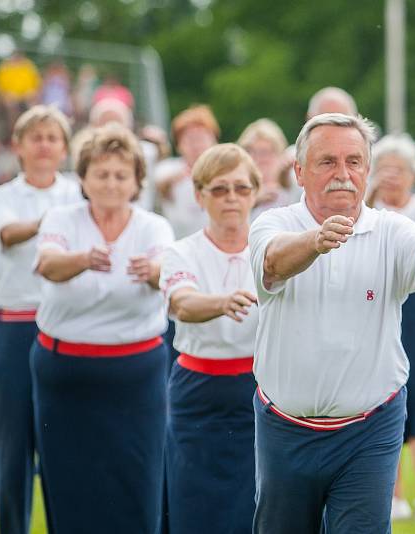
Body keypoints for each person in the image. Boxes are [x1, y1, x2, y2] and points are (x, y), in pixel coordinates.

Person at [249, 113, 415, 533]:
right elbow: (272, 263)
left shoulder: (390, 229)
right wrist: (316, 241)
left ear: (367, 170)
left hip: (370, 428)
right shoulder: (274, 223)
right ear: (299, 171)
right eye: (327, 162)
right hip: (285, 429)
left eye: (354, 162)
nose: (343, 174)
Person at [31, 124, 174, 533]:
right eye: (101, 173)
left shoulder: (152, 226)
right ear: (83, 178)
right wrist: (83, 259)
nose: (111, 183)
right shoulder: (62, 219)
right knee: (69, 480)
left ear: (136, 183)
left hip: (135, 377)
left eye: (120, 175)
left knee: (136, 478)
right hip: (66, 377)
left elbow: (168, 269)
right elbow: (48, 264)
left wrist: (153, 272)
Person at [0, 105, 80, 534]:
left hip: (68, 328)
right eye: (35, 137)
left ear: (64, 148)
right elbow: (7, 234)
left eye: (52, 137)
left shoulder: (79, 191)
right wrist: (57, 224)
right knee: (12, 448)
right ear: (18, 146)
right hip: (14, 328)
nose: (43, 145)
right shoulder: (0, 195)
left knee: (64, 446)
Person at [161, 143, 261, 533]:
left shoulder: (273, 252)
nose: (231, 198)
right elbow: (183, 304)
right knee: (194, 500)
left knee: (256, 502)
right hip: (198, 389)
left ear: (255, 191)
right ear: (199, 195)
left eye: (241, 187)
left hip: (260, 387)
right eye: (219, 189)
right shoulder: (181, 252)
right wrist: (221, 302)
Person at [365, 133, 415, 523]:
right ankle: (393, 492)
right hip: (378, 305)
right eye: (384, 169)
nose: (392, 177)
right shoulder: (368, 210)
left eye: (399, 169)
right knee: (384, 392)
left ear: (414, 175)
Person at [155, 105, 218, 238]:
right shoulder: (167, 168)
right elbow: (158, 185)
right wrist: (174, 180)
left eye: (201, 138)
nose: (196, 145)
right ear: (178, 145)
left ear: (214, 141)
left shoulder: (226, 170)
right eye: (189, 139)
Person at [237, 118, 295, 219]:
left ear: (279, 154)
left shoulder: (292, 185)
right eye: (252, 152)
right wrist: (253, 201)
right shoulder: (235, 189)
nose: (259, 159)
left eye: (265, 152)